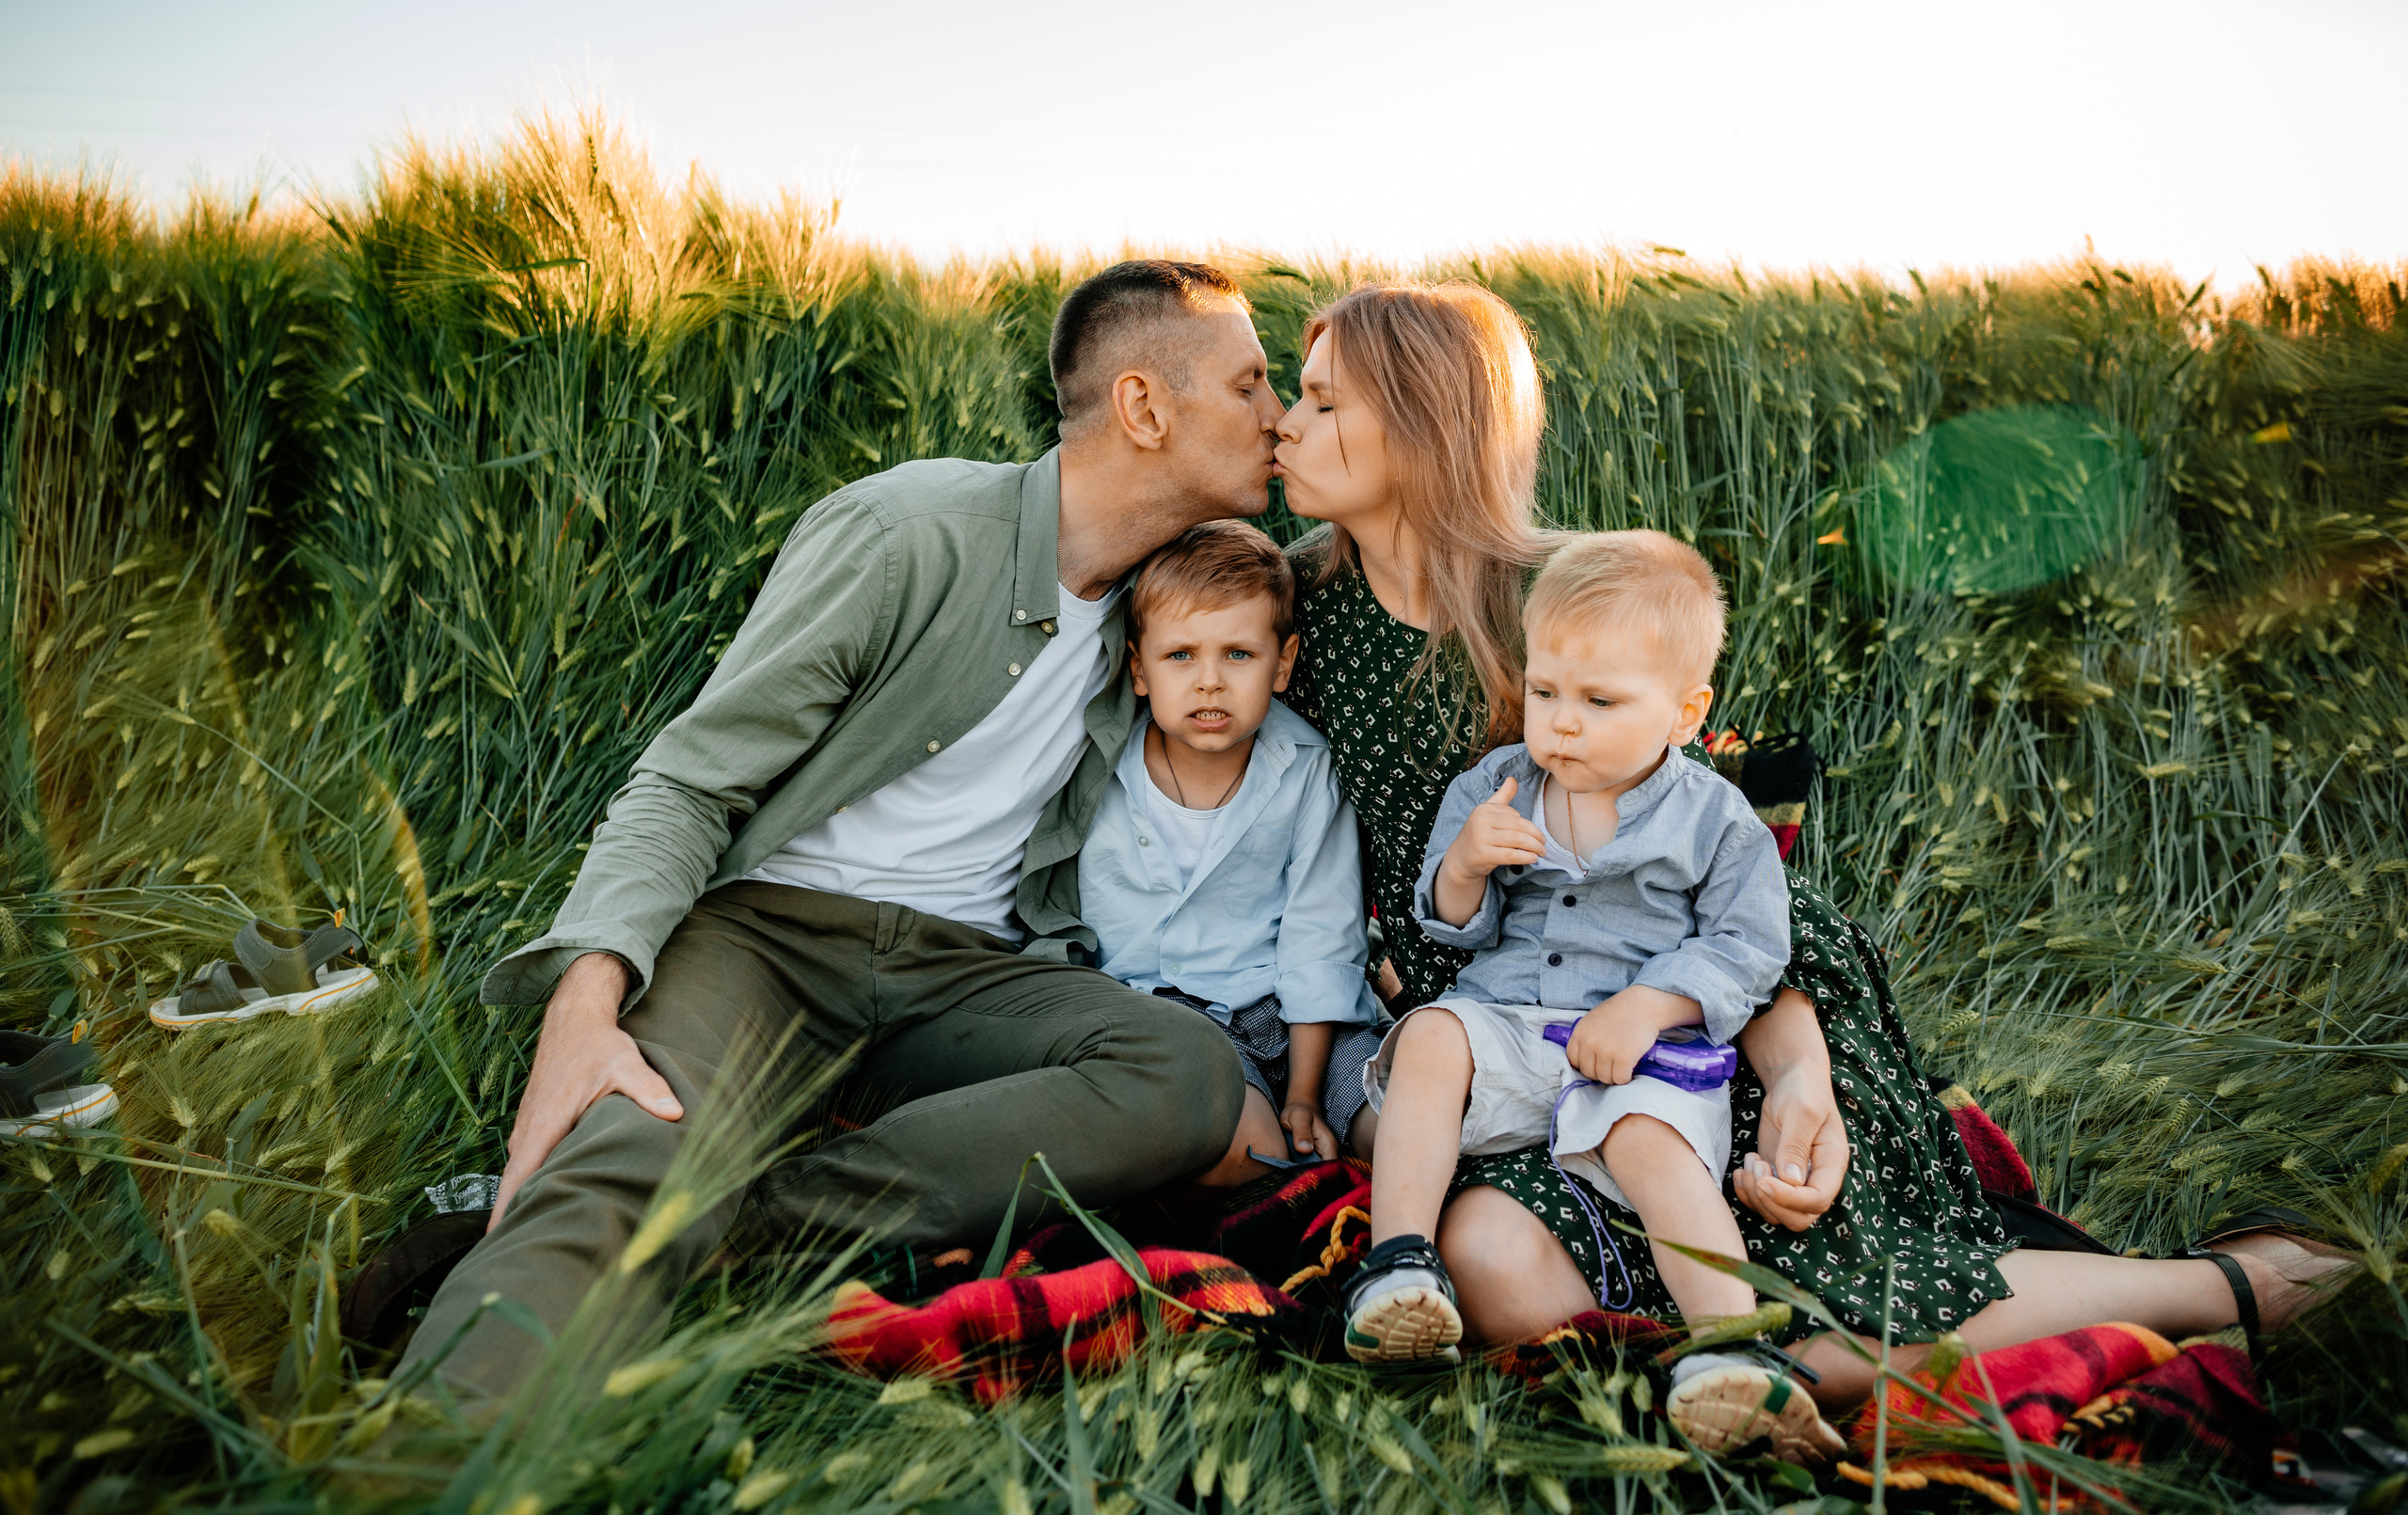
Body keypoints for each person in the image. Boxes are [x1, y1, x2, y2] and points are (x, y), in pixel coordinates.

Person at [1270, 278, 2353, 1435]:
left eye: (1323, 403)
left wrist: (1797, 1073)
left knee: (1805, 1235)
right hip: (1495, 1016)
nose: (1286, 422)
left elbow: (1729, 873)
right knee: (1493, 1268)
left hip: (1689, 1003)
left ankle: (2208, 1286)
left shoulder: (1567, 595)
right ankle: (1736, 1371)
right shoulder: (1300, 608)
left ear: (1427, 423)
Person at [400, 260, 1283, 1399]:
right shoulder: (903, 534)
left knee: (1184, 1075)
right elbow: (686, 780)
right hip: (766, 940)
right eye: (1252, 384)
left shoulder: (1170, 607)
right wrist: (586, 999)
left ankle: (729, 1222)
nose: (1277, 418)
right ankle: (427, 1453)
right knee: (636, 1140)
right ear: (1144, 407)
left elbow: (1385, 567)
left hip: (966, 971)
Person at [1344, 529, 1836, 1454]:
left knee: (1654, 1143)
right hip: (1516, 1026)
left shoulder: (1712, 818)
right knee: (1432, 1038)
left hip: (1640, 1055)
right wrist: (1464, 865)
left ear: (1685, 714)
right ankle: (1397, 1265)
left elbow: (1749, 945)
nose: (1560, 722)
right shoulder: (1498, 786)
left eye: (1598, 701)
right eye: (1544, 692)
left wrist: (1652, 1004)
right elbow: (1449, 932)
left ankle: (1732, 1354)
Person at [1075, 520, 1383, 1184]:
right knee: (1248, 1152)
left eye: (1238, 654)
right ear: (1139, 669)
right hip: (1175, 1021)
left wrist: (1305, 1092)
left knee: (1397, 1123)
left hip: (1303, 1017)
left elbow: (1320, 932)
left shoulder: (1305, 768)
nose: (1209, 681)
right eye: (1180, 655)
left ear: (1284, 663)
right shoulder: (1100, 774)